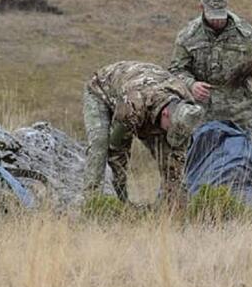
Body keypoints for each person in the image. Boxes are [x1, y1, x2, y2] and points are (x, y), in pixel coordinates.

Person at [81, 61, 204, 203]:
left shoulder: (187, 106)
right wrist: (122, 199)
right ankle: (91, 202)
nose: (172, 135)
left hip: (144, 98)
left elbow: (176, 159)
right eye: (172, 131)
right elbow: (117, 151)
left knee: (172, 162)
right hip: (101, 91)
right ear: (165, 114)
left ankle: (174, 210)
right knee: (100, 144)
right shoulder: (133, 107)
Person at [170, 0, 252, 131]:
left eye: (220, 14)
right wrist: (191, 85)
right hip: (200, 116)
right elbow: (176, 70)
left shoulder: (247, 35)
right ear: (202, 8)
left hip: (238, 116)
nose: (217, 20)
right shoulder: (187, 36)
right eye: (212, 15)